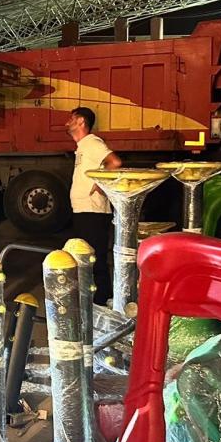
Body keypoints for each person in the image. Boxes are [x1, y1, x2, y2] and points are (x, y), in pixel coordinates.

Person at [66, 106, 122, 305]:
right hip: (84, 210)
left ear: (81, 121)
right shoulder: (83, 146)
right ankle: (94, 300)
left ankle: (102, 302)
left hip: (93, 211)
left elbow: (114, 162)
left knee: (94, 260)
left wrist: (99, 184)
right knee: (87, 258)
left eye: (71, 119)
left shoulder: (91, 142)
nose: (67, 122)